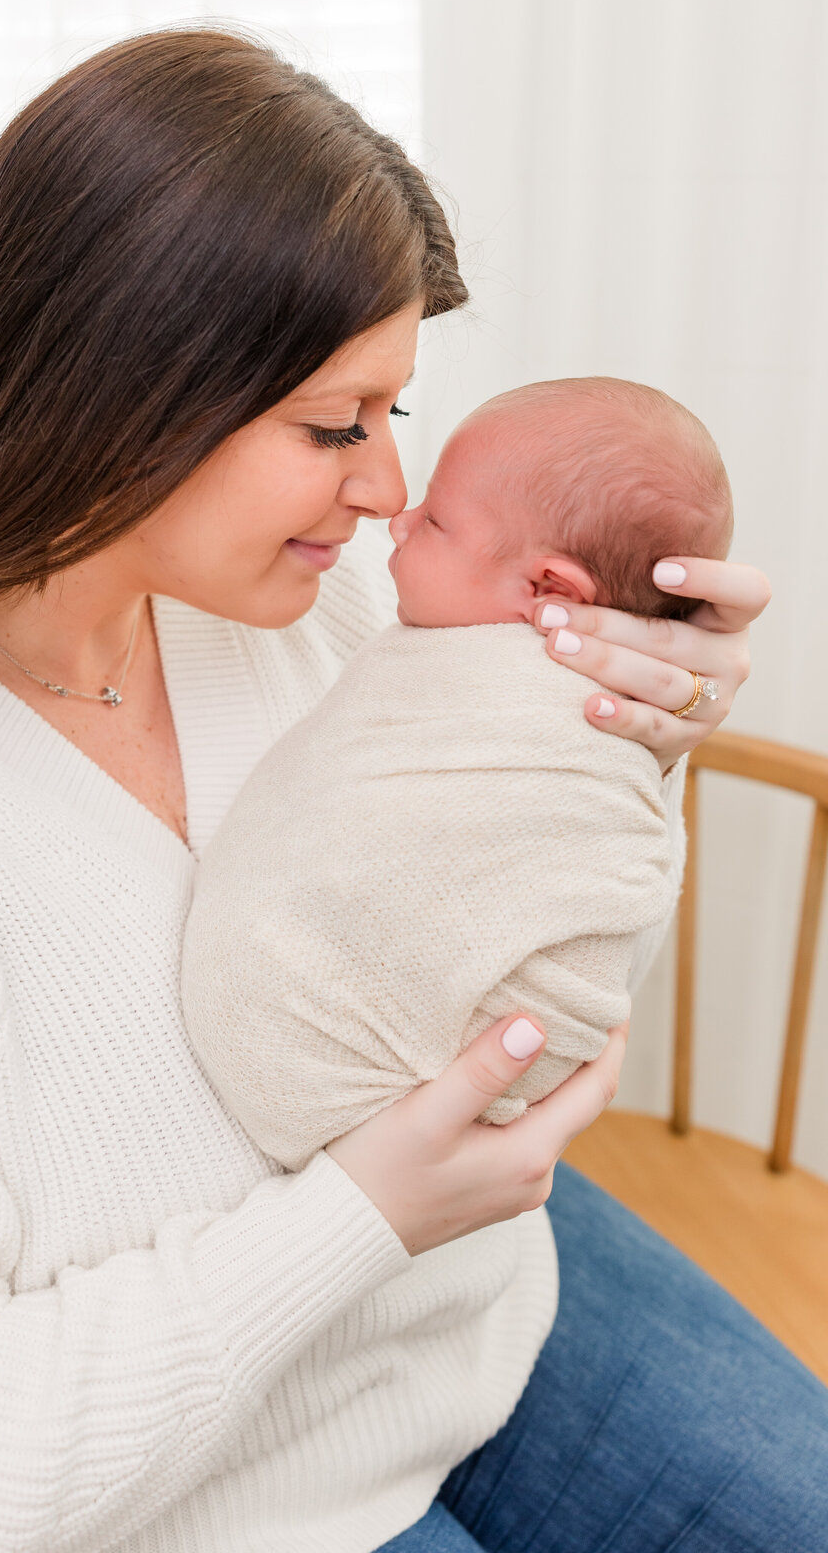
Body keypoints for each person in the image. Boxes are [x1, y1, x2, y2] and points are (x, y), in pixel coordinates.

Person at [0, 28, 813, 1553]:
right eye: (337, 427)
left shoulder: (303, 614)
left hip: (482, 1294)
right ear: (119, 391)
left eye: (396, 417)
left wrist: (633, 699)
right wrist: (359, 1214)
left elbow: (494, 856)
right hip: (221, 1493)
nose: (389, 491)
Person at [180, 378, 733, 1166]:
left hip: (488, 1176)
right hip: (373, 1194)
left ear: (547, 592)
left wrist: (660, 748)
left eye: (434, 521)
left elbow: (594, 907)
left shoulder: (563, 715)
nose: (395, 510)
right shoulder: (403, 606)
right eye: (336, 423)